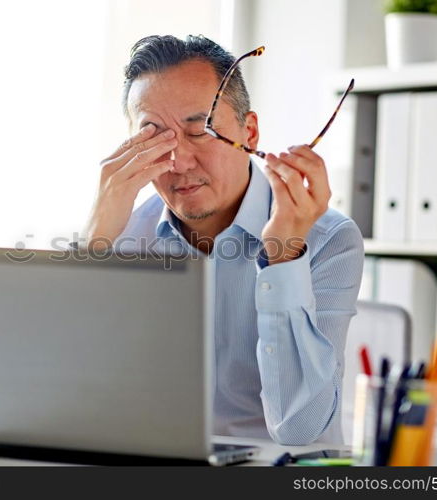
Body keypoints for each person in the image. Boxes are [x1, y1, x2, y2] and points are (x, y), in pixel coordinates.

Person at [81, 35, 364, 445]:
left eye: (198, 132)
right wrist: (94, 245)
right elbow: (71, 399)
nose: (178, 161)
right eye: (155, 138)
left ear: (249, 133)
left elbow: (300, 429)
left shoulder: (328, 239)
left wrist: (283, 258)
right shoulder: (120, 233)